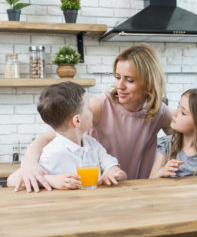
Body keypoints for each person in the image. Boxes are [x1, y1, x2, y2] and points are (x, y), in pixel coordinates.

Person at [15, 44, 173, 192]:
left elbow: (186, 135)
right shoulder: (100, 105)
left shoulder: (159, 112)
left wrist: (161, 163)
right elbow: (50, 136)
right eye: (118, 77)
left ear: (149, 83)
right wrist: (29, 164)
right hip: (101, 189)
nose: (120, 86)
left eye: (129, 80)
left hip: (138, 189)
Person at [7, 82, 127, 190]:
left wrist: (113, 173)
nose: (92, 111)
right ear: (77, 121)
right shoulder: (52, 153)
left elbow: (120, 172)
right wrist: (50, 180)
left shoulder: (93, 144)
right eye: (88, 109)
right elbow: (11, 180)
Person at [150, 89, 197, 178]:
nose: (175, 114)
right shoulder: (167, 144)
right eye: (178, 107)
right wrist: (161, 172)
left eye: (183, 113)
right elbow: (150, 180)